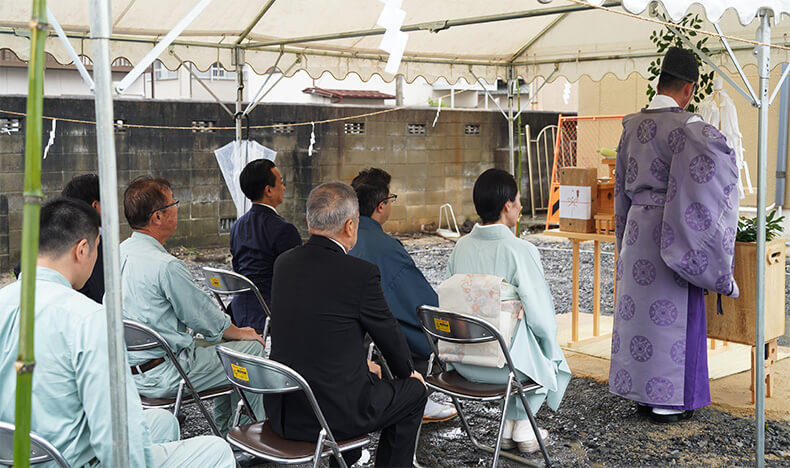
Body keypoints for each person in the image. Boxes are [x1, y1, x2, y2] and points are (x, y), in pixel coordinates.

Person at [0, 198, 235, 467]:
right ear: (82, 249)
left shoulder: (4, 301)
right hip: (77, 460)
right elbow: (117, 440)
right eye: (98, 250)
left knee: (162, 421)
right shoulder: (88, 318)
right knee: (216, 450)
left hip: (23, 454)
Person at [610, 46, 739, 423]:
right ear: (689, 88)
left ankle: (639, 392)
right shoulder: (688, 126)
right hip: (672, 228)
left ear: (661, 81)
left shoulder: (630, 124)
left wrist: (624, 237)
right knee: (672, 315)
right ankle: (667, 401)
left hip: (636, 228)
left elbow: (620, 187)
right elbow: (715, 173)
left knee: (639, 317)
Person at [266, 182, 428, 467]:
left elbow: (312, 333)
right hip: (334, 416)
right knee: (413, 394)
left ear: (308, 221)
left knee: (369, 375)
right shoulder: (360, 274)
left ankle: (347, 459)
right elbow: (389, 334)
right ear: (351, 226)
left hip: (286, 412)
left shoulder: (284, 264)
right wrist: (409, 375)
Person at [120, 176, 266, 435]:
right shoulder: (165, 266)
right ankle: (249, 435)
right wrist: (240, 332)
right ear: (157, 217)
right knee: (249, 348)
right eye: (173, 203)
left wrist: (226, 334)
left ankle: (227, 429)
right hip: (165, 374)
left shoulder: (118, 253)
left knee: (228, 348)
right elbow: (203, 318)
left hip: (127, 370)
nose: (177, 207)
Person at [447, 168, 571, 453]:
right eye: (519, 201)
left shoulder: (460, 248)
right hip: (505, 369)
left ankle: (510, 426)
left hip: (462, 362)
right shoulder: (519, 250)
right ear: (507, 206)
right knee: (535, 336)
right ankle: (524, 427)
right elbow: (543, 320)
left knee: (508, 327)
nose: (521, 206)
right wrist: (551, 348)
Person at [349, 167, 457, 424]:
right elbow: (419, 300)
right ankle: (416, 393)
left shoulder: (346, 237)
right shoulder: (385, 246)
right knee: (423, 327)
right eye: (390, 198)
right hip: (374, 336)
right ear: (381, 206)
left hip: (347, 334)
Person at [230, 159, 301, 330]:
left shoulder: (237, 226)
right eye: (281, 183)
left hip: (239, 308)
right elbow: (297, 278)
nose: (284, 187)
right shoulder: (284, 230)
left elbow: (237, 268)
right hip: (270, 310)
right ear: (268, 190)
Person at [12, 173, 104, 303]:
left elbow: (19, 268)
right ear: (95, 206)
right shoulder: (92, 240)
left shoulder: (53, 230)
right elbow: (99, 293)